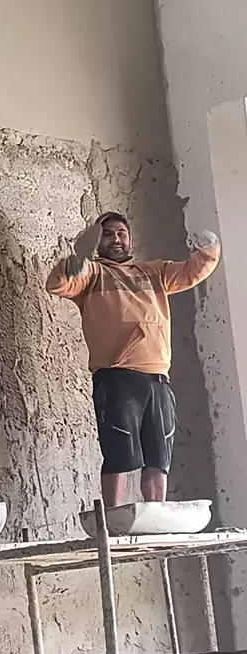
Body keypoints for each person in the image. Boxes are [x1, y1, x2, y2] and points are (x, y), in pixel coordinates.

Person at [46, 211, 220, 507]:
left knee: (158, 459)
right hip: (117, 376)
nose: (116, 239)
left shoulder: (154, 272)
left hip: (158, 379)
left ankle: (155, 516)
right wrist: (72, 265)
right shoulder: (93, 274)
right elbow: (57, 284)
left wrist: (209, 248)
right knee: (120, 456)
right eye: (108, 234)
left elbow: (192, 272)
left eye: (121, 233)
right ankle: (114, 520)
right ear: (97, 241)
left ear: (130, 239)